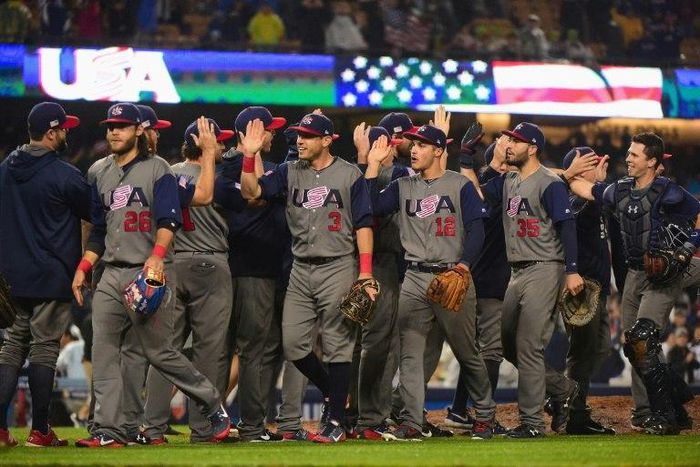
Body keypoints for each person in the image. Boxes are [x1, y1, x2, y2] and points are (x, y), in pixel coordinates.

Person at [72, 103, 230, 447]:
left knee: (160, 353)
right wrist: (85, 266)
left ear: (138, 132)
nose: (114, 131)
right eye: (110, 126)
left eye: (122, 126)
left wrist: (157, 257)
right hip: (111, 273)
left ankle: (211, 401)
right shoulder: (99, 171)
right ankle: (109, 431)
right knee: (104, 352)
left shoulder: (159, 169)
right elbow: (98, 228)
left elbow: (169, 221)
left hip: (150, 272)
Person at [239, 112, 374, 443]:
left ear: (327, 140)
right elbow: (250, 192)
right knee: (294, 344)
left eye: (308, 136)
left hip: (338, 264)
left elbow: (364, 224)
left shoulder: (349, 174)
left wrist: (366, 271)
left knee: (338, 346)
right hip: (300, 267)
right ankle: (333, 391)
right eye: (299, 135)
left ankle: (337, 423)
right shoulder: (288, 171)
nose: (300, 140)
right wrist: (250, 155)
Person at [365, 125, 496, 441]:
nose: (414, 149)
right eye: (413, 144)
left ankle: (486, 415)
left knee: (467, 351)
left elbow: (478, 229)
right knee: (410, 353)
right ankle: (412, 420)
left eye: (422, 145)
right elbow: (368, 208)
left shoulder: (459, 184)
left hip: (452, 275)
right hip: (413, 276)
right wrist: (371, 166)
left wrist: (464, 266)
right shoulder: (402, 185)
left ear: (439, 150)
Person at [567, 132, 700, 435]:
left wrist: (686, 248)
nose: (627, 158)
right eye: (628, 152)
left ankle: (664, 414)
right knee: (634, 345)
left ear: (652, 161)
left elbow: (698, 216)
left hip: (665, 274)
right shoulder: (619, 190)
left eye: (635, 154)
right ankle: (655, 408)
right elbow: (583, 188)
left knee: (643, 338)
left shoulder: (669, 192)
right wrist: (568, 173)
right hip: (635, 273)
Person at [481, 122, 584, 438]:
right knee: (508, 343)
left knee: (527, 346)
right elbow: (478, 190)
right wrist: (477, 158)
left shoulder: (549, 183)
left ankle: (532, 424)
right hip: (517, 271)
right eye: (509, 139)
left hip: (544, 268)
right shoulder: (509, 180)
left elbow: (566, 226)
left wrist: (572, 270)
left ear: (533, 147)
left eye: (517, 141)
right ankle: (562, 386)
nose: (510, 144)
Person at [139, 117, 235, 444]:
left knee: (165, 350)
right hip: (210, 265)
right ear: (203, 144)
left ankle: (152, 428)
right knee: (209, 352)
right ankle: (203, 429)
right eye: (217, 141)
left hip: (171, 264)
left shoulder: (164, 174)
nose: (221, 146)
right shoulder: (219, 179)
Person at [0, 102, 89, 448]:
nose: (67, 133)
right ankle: (40, 431)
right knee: (44, 350)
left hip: (12, 278)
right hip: (52, 274)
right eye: (63, 128)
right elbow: (92, 211)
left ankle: (2, 430)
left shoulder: (4, 170)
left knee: (11, 349)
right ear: (51, 133)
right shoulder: (65, 174)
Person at [219, 106, 290, 442]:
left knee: (224, 350)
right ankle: (249, 426)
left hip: (236, 270)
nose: (272, 134)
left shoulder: (223, 167)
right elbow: (256, 195)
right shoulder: (228, 168)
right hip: (253, 271)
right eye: (268, 129)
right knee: (252, 351)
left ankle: (210, 424)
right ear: (250, 134)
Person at [445, 139, 509, 435]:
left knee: (472, 350)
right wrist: (467, 158)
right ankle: (486, 413)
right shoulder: (491, 183)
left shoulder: (495, 180)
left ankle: (459, 409)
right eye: (504, 143)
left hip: (473, 274)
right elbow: (481, 195)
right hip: (486, 277)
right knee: (491, 351)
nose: (508, 144)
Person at [347, 124, 406, 440]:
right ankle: (370, 417)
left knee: (361, 344)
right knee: (377, 343)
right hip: (376, 265)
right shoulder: (391, 177)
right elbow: (369, 211)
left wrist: (361, 159)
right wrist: (366, 161)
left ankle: (355, 413)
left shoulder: (351, 172)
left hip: (359, 263)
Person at [120, 104, 173, 442]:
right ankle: (125, 425)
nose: (157, 135)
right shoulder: (162, 171)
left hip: (150, 268)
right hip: (133, 268)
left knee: (140, 352)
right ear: (143, 131)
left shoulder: (162, 170)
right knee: (130, 352)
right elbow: (203, 194)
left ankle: (138, 426)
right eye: (154, 129)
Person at [557, 147, 615, 435]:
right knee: (582, 351)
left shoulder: (592, 197)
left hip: (599, 286)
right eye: (593, 163)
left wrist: (599, 185)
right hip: (582, 287)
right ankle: (571, 409)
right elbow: (576, 219)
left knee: (599, 348)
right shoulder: (573, 200)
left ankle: (565, 400)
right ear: (579, 170)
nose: (599, 166)